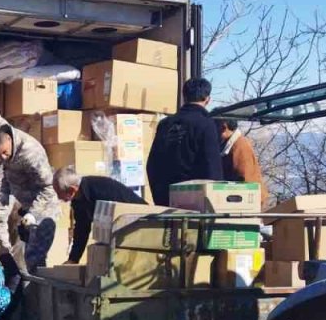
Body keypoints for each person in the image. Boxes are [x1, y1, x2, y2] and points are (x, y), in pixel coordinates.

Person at [0, 124, 60, 271]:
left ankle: (37, 292)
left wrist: (33, 213)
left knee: (34, 258)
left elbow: (48, 188)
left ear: (8, 139)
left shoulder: (30, 152)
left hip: (44, 209)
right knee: (21, 257)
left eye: (4, 153)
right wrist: (0, 211)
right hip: (25, 208)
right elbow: (5, 181)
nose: (3, 158)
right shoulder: (5, 150)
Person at [145, 77, 221, 206]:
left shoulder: (165, 124)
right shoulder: (206, 124)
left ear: (184, 96)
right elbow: (212, 168)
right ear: (207, 99)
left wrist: (161, 199)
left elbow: (152, 165)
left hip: (165, 202)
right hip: (196, 205)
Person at [53, 167, 146, 265]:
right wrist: (73, 259)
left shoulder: (100, 189)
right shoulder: (78, 200)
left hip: (142, 224)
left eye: (59, 193)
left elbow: (117, 219)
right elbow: (82, 229)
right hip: (122, 234)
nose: (59, 198)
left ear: (72, 190)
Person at [219, 119, 265, 204]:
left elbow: (245, 178)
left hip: (247, 201)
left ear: (223, 127)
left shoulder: (239, 146)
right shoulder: (228, 145)